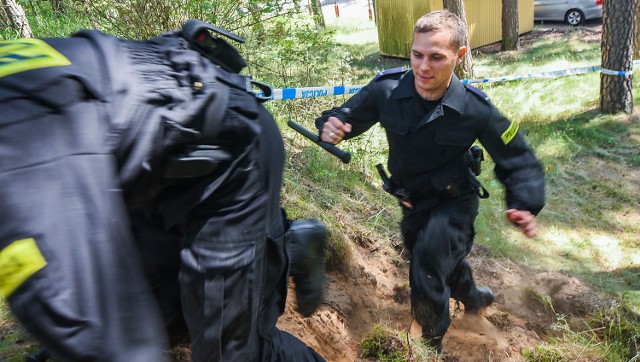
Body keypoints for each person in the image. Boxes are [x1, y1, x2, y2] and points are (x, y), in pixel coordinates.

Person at [0, 20, 326, 361]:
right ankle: (288, 248)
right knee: (162, 312)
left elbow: (95, 335)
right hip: (150, 166)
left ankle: (270, 255)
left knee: (228, 351)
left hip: (229, 161)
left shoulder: (17, 164)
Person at [315, 10, 545, 353]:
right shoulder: (387, 89)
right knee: (439, 263)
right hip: (412, 203)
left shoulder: (474, 108)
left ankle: (429, 344)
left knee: (426, 261)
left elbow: (519, 157)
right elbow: (346, 115)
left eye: (437, 57)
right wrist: (333, 124)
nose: (424, 67)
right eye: (417, 55)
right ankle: (475, 298)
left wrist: (524, 204)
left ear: (459, 56)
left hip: (455, 202)